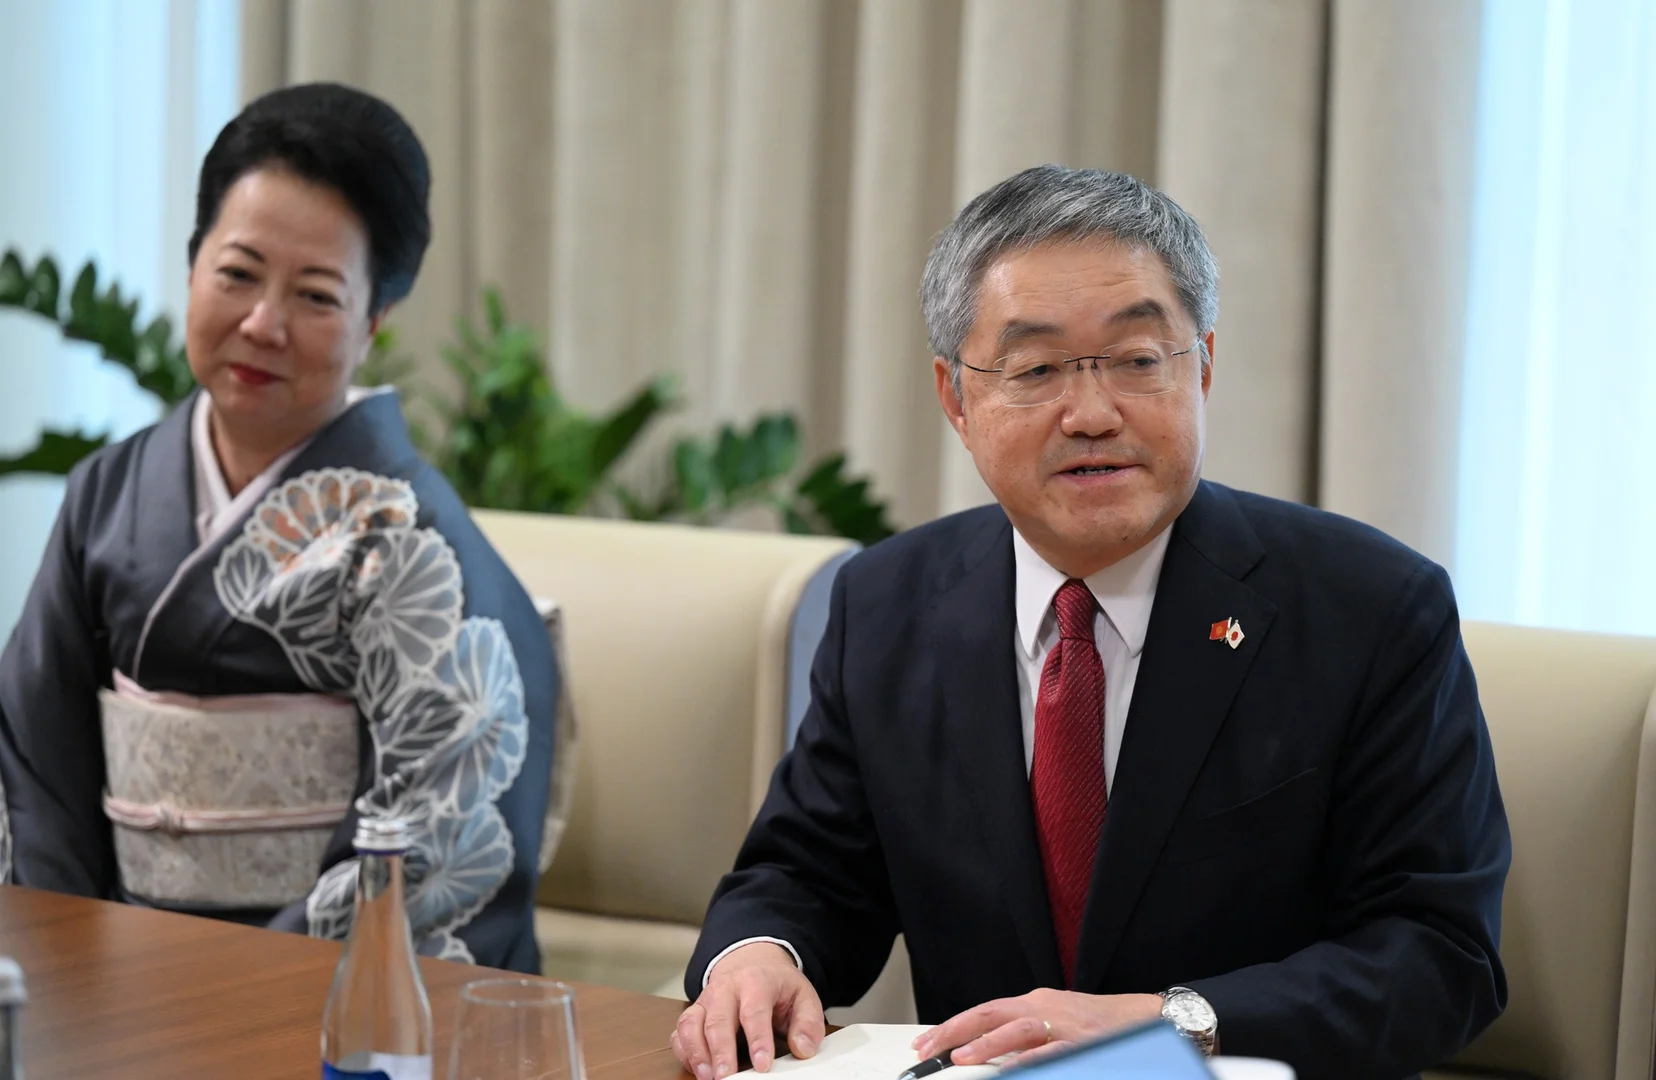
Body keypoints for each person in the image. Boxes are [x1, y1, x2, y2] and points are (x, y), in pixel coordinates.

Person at [673, 165, 1509, 1080]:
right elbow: (807, 872)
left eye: (1138, 360)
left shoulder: (1372, 609)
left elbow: (1440, 954)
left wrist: (1171, 1023)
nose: (1093, 414)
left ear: (1204, 367)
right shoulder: (887, 602)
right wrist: (760, 956)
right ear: (956, 398)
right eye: (1035, 370)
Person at [0, 82, 555, 973]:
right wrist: (71, 976)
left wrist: (234, 1009)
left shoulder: (417, 550)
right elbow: (35, 775)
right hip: (105, 990)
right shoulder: (106, 494)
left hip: (310, 1006)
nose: (263, 324)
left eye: (316, 296)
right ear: (192, 266)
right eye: (237, 274)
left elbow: (428, 848)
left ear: (374, 321)